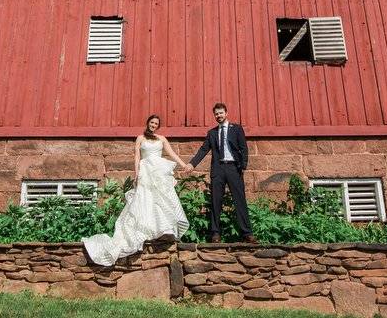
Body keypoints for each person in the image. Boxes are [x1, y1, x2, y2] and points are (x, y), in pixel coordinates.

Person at [82, 115, 190, 265]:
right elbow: (137, 156)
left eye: (156, 124)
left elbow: (171, 153)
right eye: (152, 122)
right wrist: (137, 174)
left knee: (161, 199)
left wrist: (184, 165)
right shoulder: (140, 138)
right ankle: (146, 229)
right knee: (145, 200)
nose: (153, 125)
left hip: (158, 172)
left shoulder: (162, 139)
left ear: (158, 126)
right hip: (146, 171)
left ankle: (164, 229)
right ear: (148, 123)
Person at [189, 102, 257, 243]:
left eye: (221, 113)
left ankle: (247, 233)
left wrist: (243, 166)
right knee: (215, 201)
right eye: (216, 114)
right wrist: (192, 164)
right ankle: (215, 233)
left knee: (240, 200)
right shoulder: (212, 133)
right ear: (214, 116)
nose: (218, 115)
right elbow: (203, 149)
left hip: (233, 168)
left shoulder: (237, 129)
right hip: (218, 169)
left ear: (226, 113)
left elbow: (244, 148)